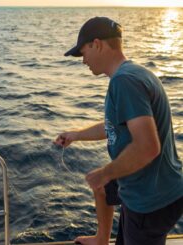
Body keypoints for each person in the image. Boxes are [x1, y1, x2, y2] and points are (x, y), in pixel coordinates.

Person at [54, 17, 183, 245]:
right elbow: (115, 125)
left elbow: (147, 147)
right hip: (155, 185)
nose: (83, 61)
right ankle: (101, 238)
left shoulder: (124, 82)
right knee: (102, 188)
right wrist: (76, 135)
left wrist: (106, 172)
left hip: (150, 201)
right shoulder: (133, 73)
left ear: (97, 44)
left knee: (102, 180)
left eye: (83, 52)